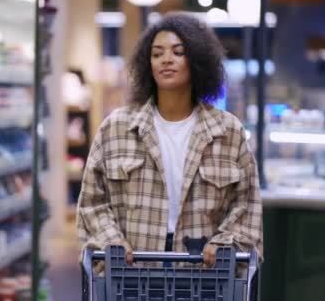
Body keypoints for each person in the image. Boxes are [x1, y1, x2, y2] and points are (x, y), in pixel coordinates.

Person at [76, 13, 262, 268]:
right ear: (147, 64)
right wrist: (111, 241)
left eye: (178, 52)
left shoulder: (228, 131)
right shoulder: (117, 128)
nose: (166, 59)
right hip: (133, 272)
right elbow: (92, 200)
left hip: (204, 275)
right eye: (157, 53)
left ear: (196, 60)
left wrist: (226, 242)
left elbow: (247, 202)